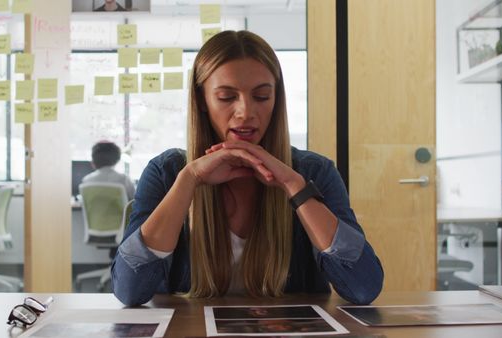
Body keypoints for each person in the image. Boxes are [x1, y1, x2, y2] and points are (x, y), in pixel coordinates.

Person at [111, 30, 383, 306]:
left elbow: (363, 288)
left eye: (262, 97)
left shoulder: (315, 172)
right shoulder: (166, 172)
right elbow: (130, 290)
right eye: (227, 97)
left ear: (276, 100)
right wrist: (189, 179)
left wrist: (295, 187)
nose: (245, 112)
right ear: (202, 100)